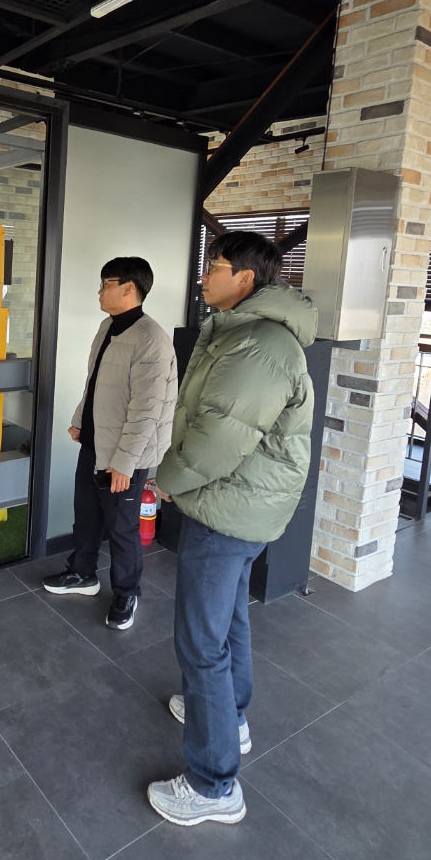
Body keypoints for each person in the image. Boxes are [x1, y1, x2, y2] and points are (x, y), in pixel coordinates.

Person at [146, 230, 317, 826]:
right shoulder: (246, 333)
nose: (203, 276)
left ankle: (213, 786)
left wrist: (168, 480)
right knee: (228, 622)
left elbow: (219, 438)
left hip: (227, 509)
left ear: (245, 278)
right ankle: (231, 717)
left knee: (200, 642)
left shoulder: (259, 345)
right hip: (242, 508)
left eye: (213, 266)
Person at [43, 257, 177, 630]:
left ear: (129, 288)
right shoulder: (108, 327)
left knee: (122, 527)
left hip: (124, 456)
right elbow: (95, 382)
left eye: (106, 284)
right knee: (86, 515)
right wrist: (78, 420)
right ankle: (83, 573)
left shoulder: (151, 339)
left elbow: (147, 410)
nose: (100, 291)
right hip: (96, 443)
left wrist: (125, 463)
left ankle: (126, 593)